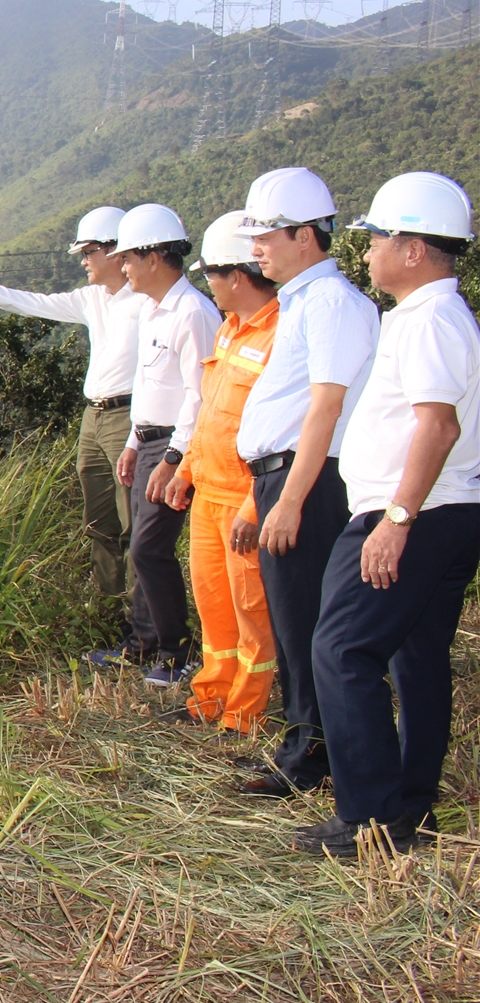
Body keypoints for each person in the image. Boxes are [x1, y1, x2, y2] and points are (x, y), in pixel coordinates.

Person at [293, 172, 480, 856]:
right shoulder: (427, 315)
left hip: (415, 513)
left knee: (341, 649)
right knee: (417, 658)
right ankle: (408, 808)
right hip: (438, 511)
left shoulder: (431, 320)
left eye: (377, 237)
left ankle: (368, 817)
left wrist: (396, 519)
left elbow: (437, 428)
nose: (365, 250)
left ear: (413, 248)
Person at [228, 168, 380, 800]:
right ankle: (303, 746)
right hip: (282, 479)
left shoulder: (333, 304)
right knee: (293, 620)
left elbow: (324, 410)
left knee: (308, 621)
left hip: (309, 483)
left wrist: (287, 501)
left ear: (304, 235)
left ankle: (309, 754)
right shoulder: (302, 303)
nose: (256, 248)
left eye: (265, 235)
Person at [0, 207, 145, 652]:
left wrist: (140, 432)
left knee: (135, 527)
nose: (83, 261)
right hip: (94, 417)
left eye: (88, 252)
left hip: (131, 417)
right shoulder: (94, 300)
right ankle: (113, 622)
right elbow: (36, 303)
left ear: (114, 250)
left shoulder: (148, 302)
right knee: (100, 523)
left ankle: (144, 628)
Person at [162, 212, 280, 732]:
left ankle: (244, 712)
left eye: (209, 273)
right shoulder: (230, 331)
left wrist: (256, 505)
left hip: (244, 498)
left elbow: (279, 435)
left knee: (252, 610)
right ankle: (208, 697)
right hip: (208, 493)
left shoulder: (281, 334)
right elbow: (212, 413)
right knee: (214, 606)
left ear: (236, 275)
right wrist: (184, 470)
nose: (205, 282)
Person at [112, 204, 221, 687]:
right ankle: (150, 643)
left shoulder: (194, 312)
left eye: (130, 259)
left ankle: (177, 650)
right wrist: (135, 443)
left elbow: (201, 395)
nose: (124, 268)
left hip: (177, 448)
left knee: (149, 549)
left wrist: (175, 459)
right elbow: (152, 386)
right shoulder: (153, 311)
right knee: (143, 547)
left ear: (155, 257)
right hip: (151, 443)